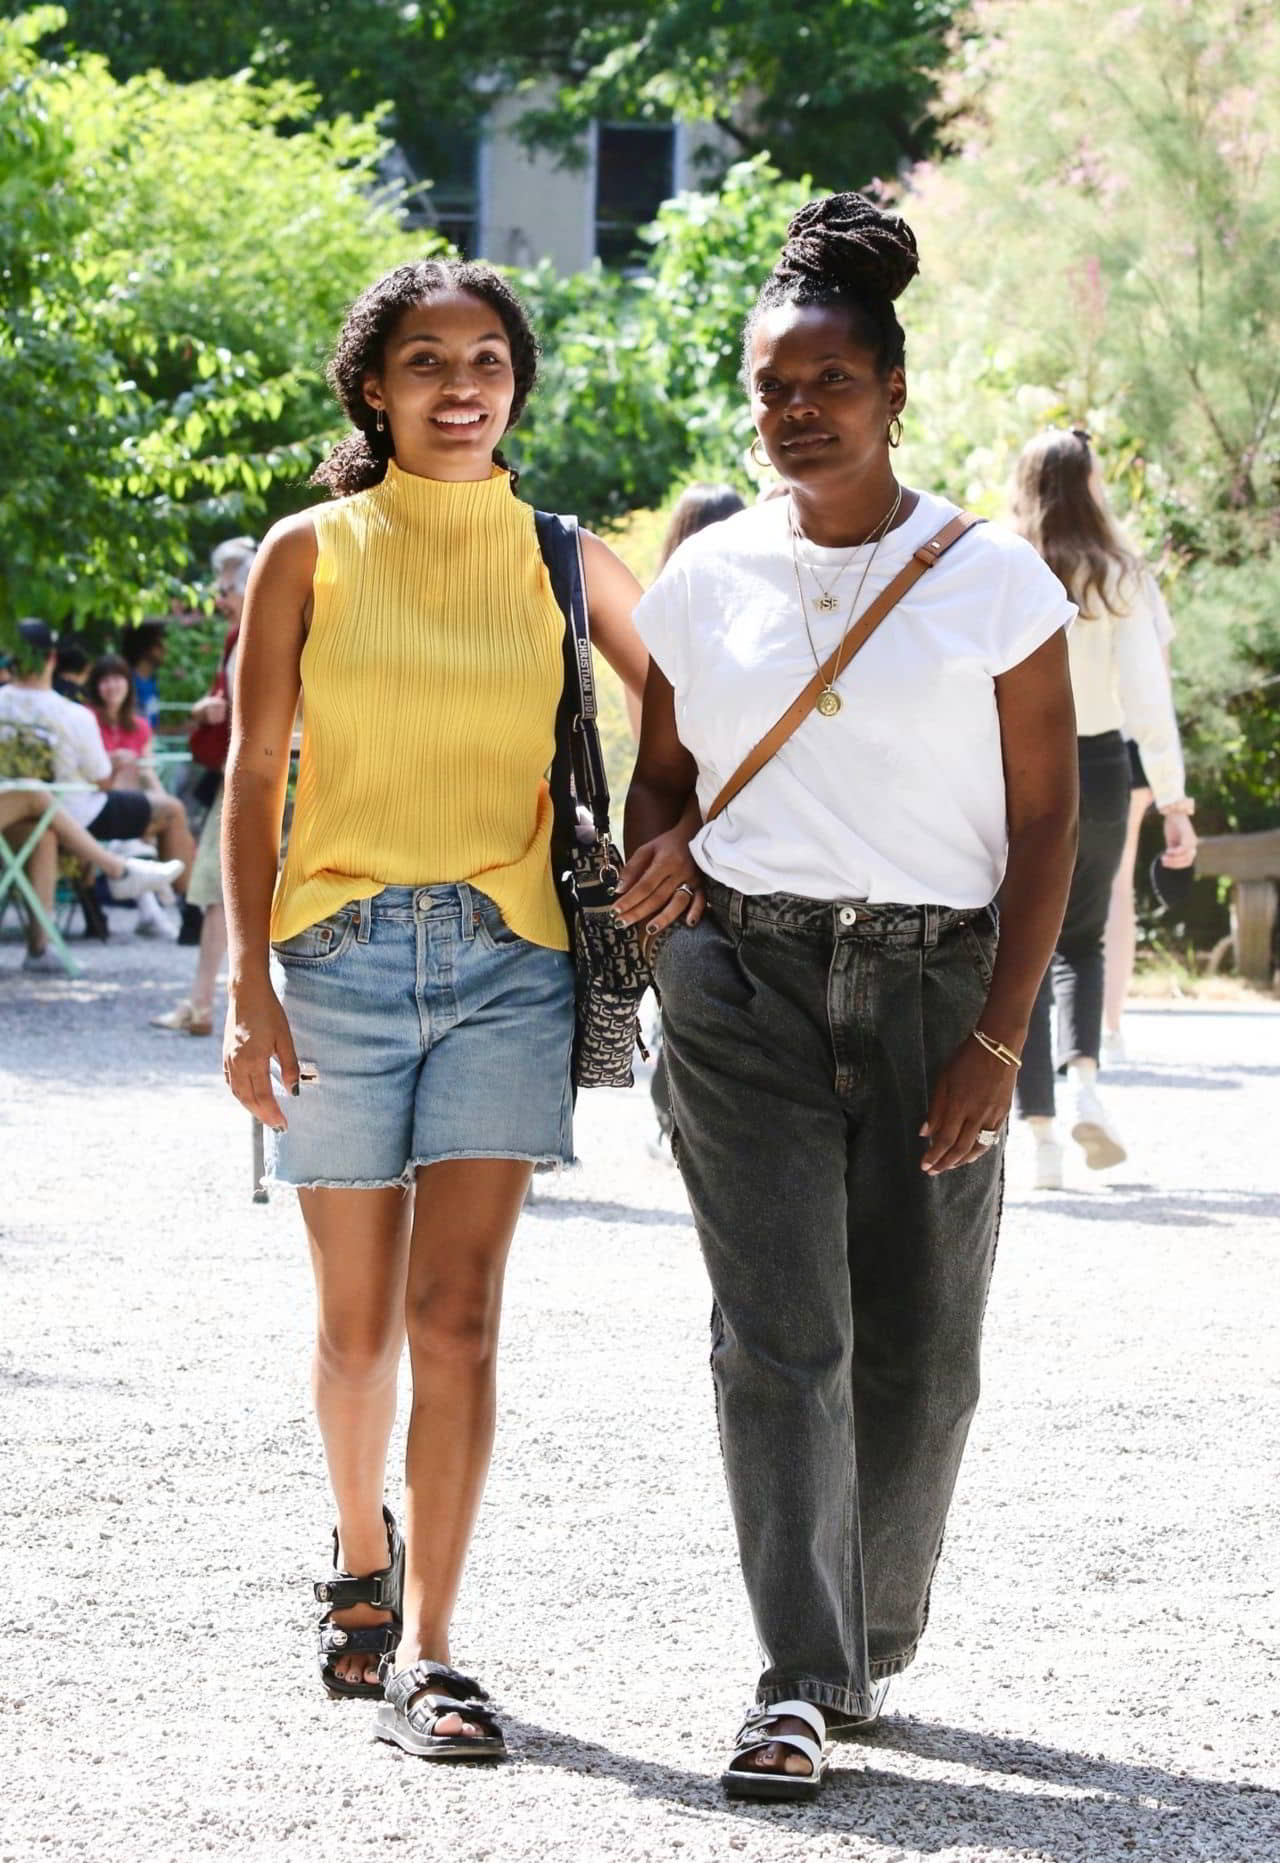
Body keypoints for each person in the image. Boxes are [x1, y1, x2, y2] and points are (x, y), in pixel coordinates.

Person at [621, 192, 1078, 1799]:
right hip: (742, 978)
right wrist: (663, 884)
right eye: (769, 387)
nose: (794, 411)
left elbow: (1046, 823)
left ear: (893, 390)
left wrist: (999, 1036)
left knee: (925, 1354)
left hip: (935, 983)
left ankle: (874, 1639)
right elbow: (663, 779)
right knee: (780, 1336)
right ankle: (800, 1672)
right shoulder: (703, 579)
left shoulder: (996, 581)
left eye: (827, 383)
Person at [221, 257, 656, 1760]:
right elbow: (250, 770)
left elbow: (694, 702)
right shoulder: (308, 550)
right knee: (356, 1330)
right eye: (426, 360)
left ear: (517, 385)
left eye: (486, 360)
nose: (460, 385)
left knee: (457, 1318)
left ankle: (441, 1653)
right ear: (374, 387)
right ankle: (359, 1547)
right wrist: (244, 987)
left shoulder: (564, 557)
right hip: (334, 958)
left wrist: (669, 841)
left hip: (510, 959)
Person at [1009, 430, 1196, 1187]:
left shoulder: (1005, 565)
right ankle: (1084, 1079)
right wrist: (1175, 801)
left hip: (1019, 769)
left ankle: (1043, 1139)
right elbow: (1149, 698)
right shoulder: (1122, 576)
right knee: (1080, 940)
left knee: (1018, 945)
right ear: (1091, 487)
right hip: (1102, 764)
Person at [646, 483, 746, 1154]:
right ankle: (675, 1106)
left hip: (694, 844)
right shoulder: (688, 622)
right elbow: (669, 768)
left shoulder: (667, 617)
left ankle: (673, 1107)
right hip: (705, 845)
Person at [0, 622, 186, 970]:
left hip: (32, 822)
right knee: (170, 810)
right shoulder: (72, 713)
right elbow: (101, 781)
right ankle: (184, 905)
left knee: (44, 834)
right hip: (79, 810)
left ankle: (39, 949)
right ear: (52, 658)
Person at [150, 537, 257, 1029]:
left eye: (226, 587)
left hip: (258, 778)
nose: (218, 597)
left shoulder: (258, 633)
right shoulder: (239, 638)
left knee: (221, 888)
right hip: (247, 775)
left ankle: (214, 1006)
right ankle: (207, 1003)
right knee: (219, 888)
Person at [1103, 602, 1186, 1062]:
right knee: (1117, 889)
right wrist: (1172, 785)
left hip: (1057, 738)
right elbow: (1160, 683)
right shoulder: (1131, 575)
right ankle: (1109, 1028)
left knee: (1041, 885)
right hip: (1129, 746)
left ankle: (1050, 1029)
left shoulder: (1031, 556)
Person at [120, 622, 167, 730]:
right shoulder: (128, 683)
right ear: (146, 648)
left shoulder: (154, 681)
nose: (165, 649)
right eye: (159, 644)